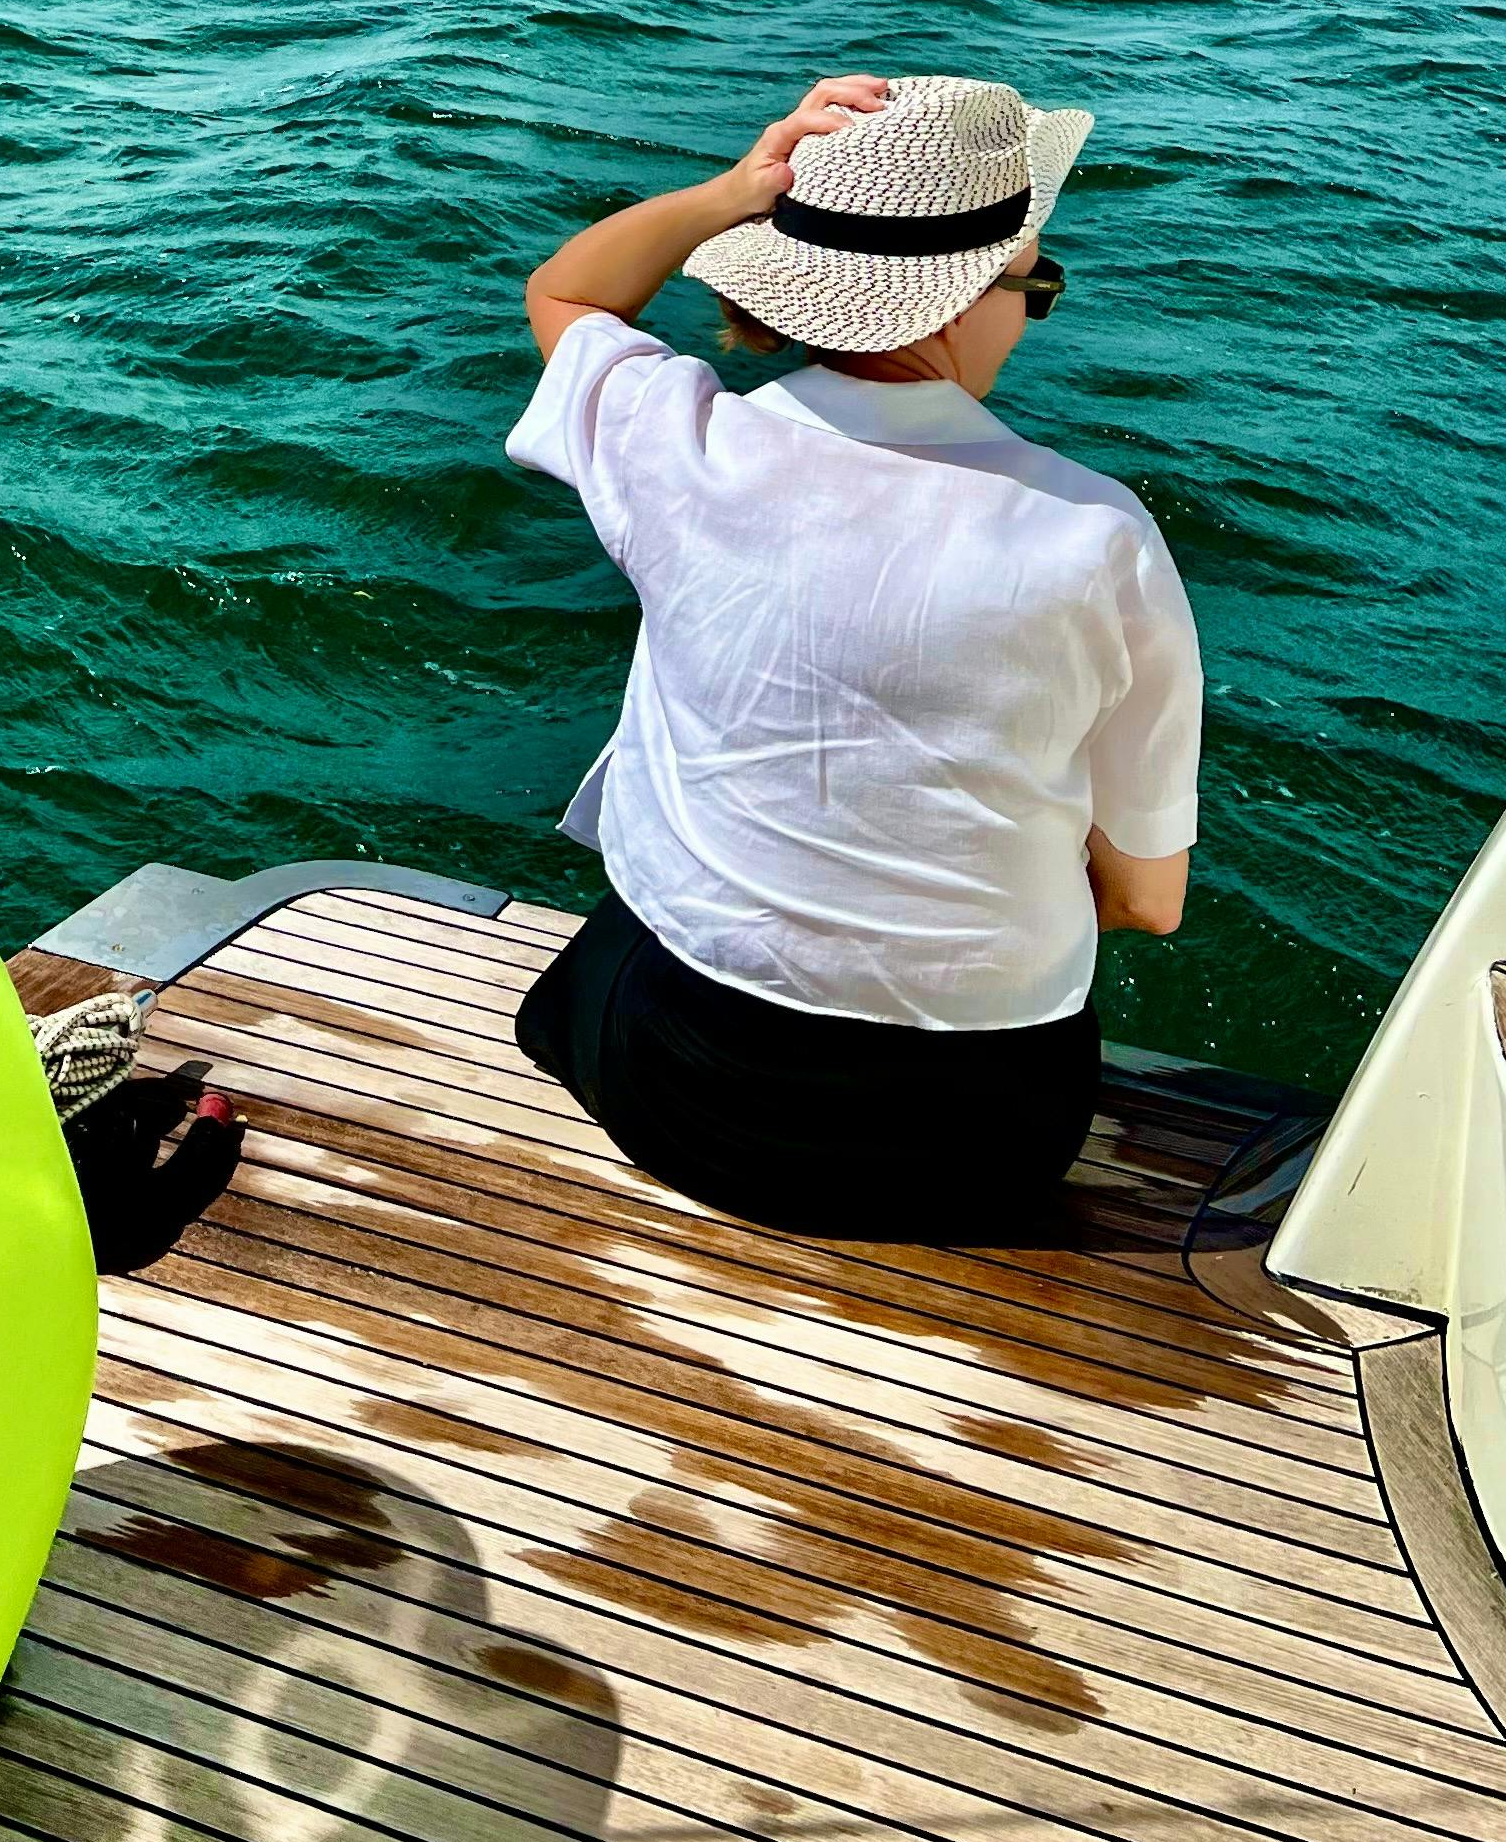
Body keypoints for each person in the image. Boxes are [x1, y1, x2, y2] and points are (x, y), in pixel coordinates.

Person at [507, 71, 1200, 1243]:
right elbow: (1145, 900)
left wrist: (738, 190)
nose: (1029, 321)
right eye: (1035, 290)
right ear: (956, 306)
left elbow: (566, 291)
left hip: (677, 1094)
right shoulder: (1098, 538)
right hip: (978, 1150)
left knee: (623, 928)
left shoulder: (676, 440)